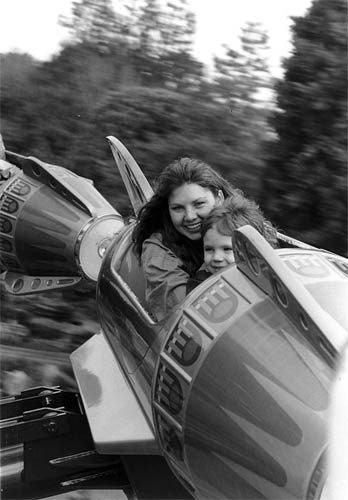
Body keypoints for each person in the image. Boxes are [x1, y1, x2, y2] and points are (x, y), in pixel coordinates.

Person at [132, 158, 240, 321]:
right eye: (178, 208)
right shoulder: (157, 252)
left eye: (199, 204)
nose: (190, 216)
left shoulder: (241, 222)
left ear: (219, 198)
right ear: (167, 209)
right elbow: (188, 310)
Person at [186, 193, 278, 292]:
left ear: (253, 250)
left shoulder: (273, 279)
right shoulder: (200, 286)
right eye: (209, 249)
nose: (216, 257)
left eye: (227, 249)